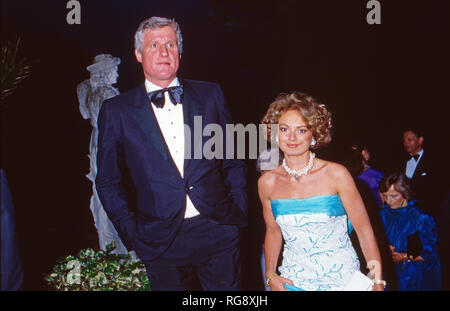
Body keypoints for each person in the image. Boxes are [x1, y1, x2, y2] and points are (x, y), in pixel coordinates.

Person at [95, 16, 248, 290]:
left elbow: (233, 157)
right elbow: (108, 181)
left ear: (180, 51)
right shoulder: (116, 110)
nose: (164, 52)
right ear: (138, 54)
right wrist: (133, 234)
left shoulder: (211, 94)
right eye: (154, 45)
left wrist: (237, 211)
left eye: (171, 44)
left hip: (218, 229)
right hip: (160, 241)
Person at [258, 91, 385, 291]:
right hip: (294, 283)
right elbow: (273, 232)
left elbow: (365, 232)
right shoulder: (267, 182)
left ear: (314, 134)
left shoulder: (336, 174)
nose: (292, 137)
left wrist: (377, 282)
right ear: (275, 133)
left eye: (301, 130)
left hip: (344, 283)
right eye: (284, 129)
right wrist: (270, 275)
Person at [77, 54, 128, 254]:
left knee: (103, 194)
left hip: (99, 143)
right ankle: (119, 249)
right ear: (106, 72)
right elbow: (121, 123)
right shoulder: (107, 93)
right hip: (109, 144)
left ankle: (110, 245)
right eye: (114, 68)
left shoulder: (92, 93)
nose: (116, 72)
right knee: (114, 192)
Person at [379, 172, 442, 290]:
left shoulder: (420, 218)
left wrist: (403, 256)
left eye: (393, 196)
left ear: (405, 193)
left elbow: (429, 254)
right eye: (385, 196)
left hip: (414, 275)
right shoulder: (382, 215)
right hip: (389, 273)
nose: (388, 201)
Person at [401, 128, 444, 218]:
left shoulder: (434, 161)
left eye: (409, 140)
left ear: (420, 140)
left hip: (427, 213)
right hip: (406, 214)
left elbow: (438, 189)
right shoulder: (400, 161)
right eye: (404, 141)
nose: (406, 144)